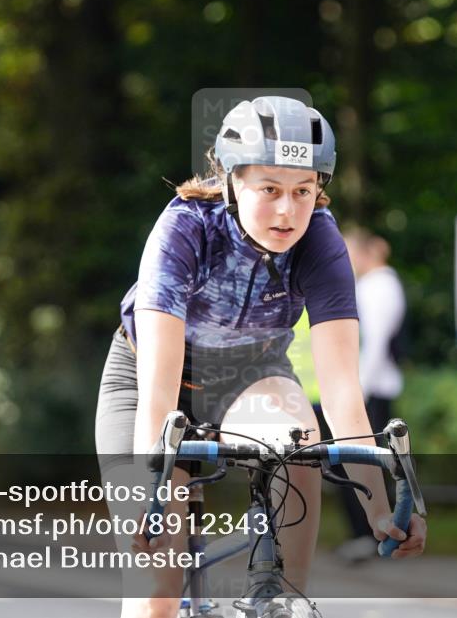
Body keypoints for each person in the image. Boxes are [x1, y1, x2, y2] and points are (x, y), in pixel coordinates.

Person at [95, 96, 426, 618]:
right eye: (269, 189)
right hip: (152, 380)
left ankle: (281, 597)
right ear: (230, 182)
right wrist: (150, 495)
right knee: (156, 592)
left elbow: (342, 393)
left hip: (252, 374)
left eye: (303, 190)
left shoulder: (320, 239)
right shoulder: (184, 228)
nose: (287, 210)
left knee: (299, 439)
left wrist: (380, 509)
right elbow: (160, 386)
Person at [334, 228, 409, 563]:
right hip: (367, 385)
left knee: (362, 463)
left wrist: (356, 390)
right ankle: (368, 534)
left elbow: (375, 342)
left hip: (371, 387)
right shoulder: (371, 285)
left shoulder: (379, 286)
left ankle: (371, 534)